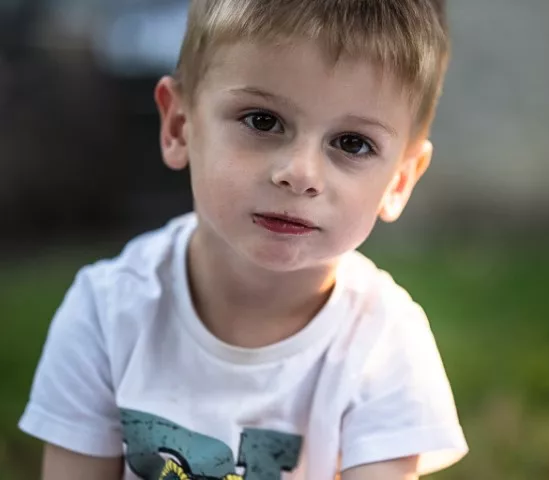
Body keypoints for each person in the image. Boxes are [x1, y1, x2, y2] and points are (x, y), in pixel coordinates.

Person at [18, 0, 468, 478]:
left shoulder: (384, 346)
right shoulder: (105, 316)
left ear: (399, 180)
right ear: (179, 126)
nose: (300, 174)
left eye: (352, 143)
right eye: (263, 120)